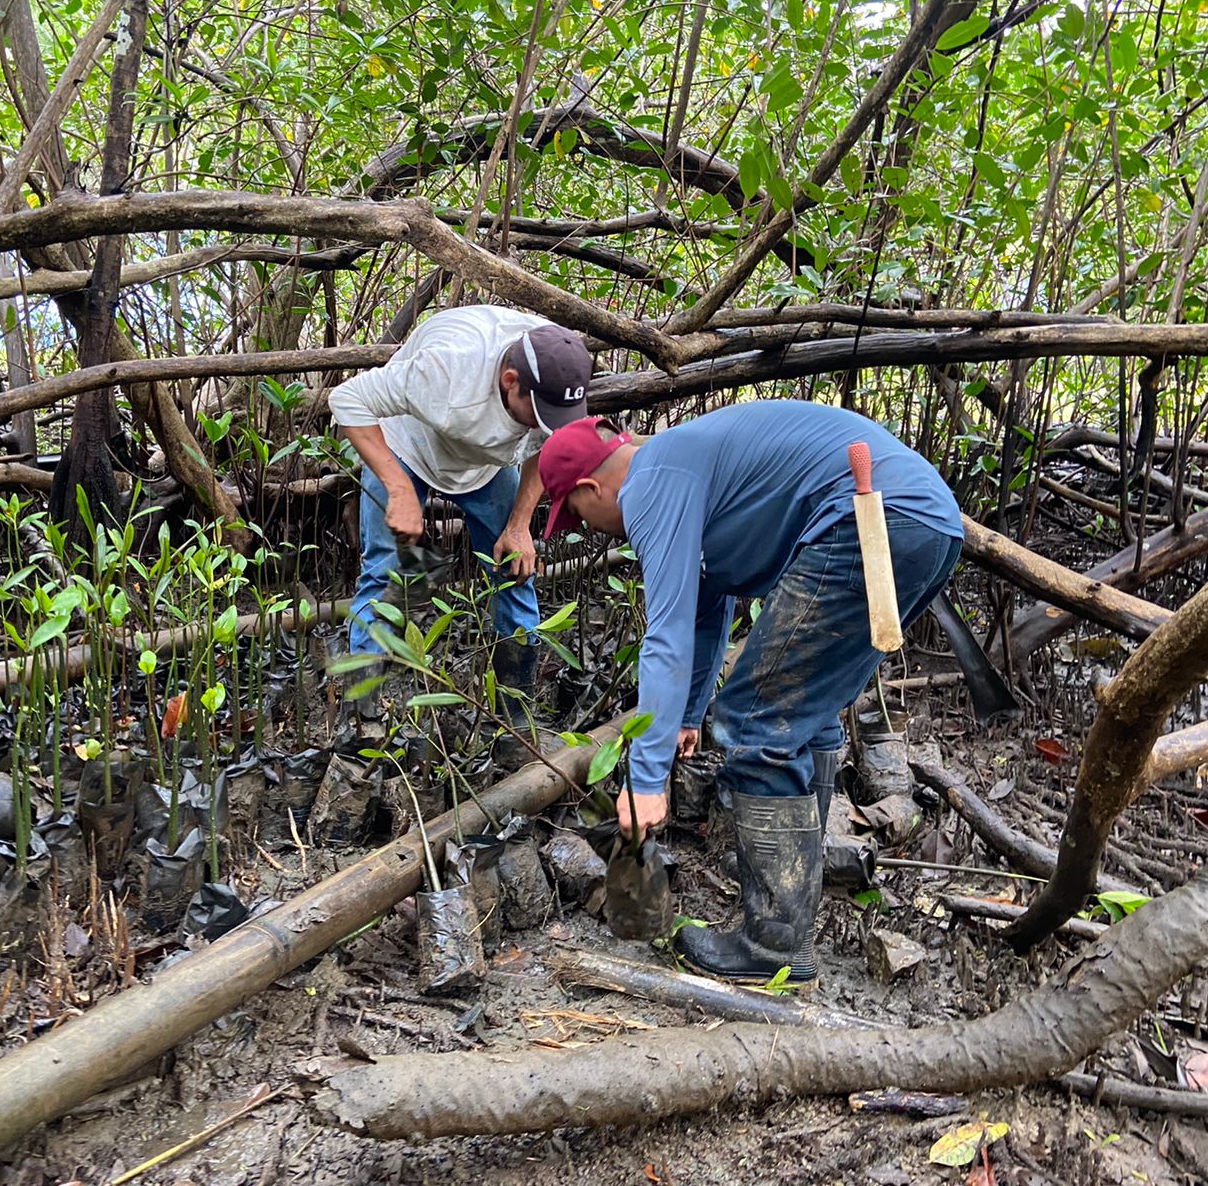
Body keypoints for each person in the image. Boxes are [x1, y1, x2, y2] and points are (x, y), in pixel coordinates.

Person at [538, 400, 962, 985]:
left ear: (591, 487)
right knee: (804, 715)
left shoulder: (652, 483)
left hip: (866, 515)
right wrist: (686, 714)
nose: (586, 526)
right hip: (928, 523)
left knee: (756, 719)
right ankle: (793, 903)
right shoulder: (685, 469)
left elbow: (663, 636)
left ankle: (772, 946)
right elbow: (707, 609)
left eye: (578, 514)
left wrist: (645, 780)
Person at [328, 305, 593, 745]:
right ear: (510, 381)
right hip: (406, 446)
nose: (546, 422)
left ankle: (516, 718)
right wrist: (398, 489)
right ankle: (363, 724)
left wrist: (520, 524)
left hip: (486, 468)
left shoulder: (556, 366)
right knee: (383, 573)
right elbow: (347, 401)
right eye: (538, 411)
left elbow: (547, 446)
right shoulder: (446, 369)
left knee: (515, 570)